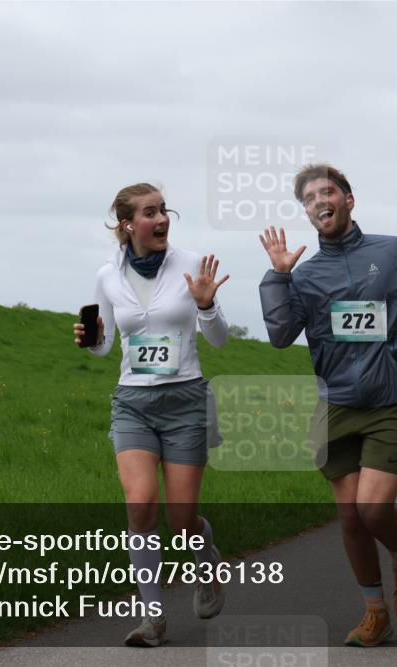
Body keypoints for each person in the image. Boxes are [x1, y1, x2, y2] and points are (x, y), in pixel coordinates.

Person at [258, 164, 397, 647]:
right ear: (306, 211)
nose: (319, 201)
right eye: (309, 197)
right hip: (335, 407)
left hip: (391, 400)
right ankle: (376, 612)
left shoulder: (394, 253)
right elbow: (278, 335)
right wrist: (278, 277)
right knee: (350, 517)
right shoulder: (306, 275)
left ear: (349, 199)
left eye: (327, 191)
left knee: (373, 510)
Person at [74, 182, 230, 647]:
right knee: (140, 505)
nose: (161, 219)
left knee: (182, 520)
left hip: (185, 399)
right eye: (149, 212)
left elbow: (219, 339)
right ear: (127, 224)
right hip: (133, 404)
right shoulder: (108, 275)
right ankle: (153, 618)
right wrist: (91, 338)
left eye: (164, 210)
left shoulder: (192, 264)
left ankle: (206, 561)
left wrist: (206, 304)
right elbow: (105, 347)